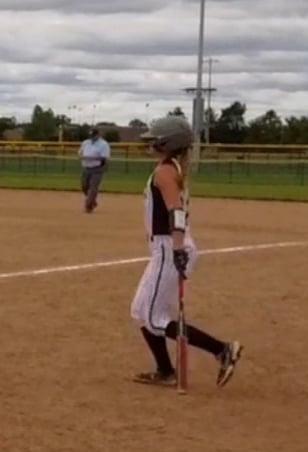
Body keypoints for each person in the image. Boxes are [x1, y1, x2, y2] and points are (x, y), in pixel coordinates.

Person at [129, 115, 242, 391]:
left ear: (167, 143)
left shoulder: (165, 172)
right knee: (140, 311)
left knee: (153, 317)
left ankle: (222, 350)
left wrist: (177, 248)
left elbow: (175, 213)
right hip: (167, 247)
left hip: (170, 247)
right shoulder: (172, 168)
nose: (149, 144)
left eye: (154, 140)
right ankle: (165, 371)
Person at [79, 127, 111, 213]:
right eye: (91, 136)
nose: (92, 137)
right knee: (84, 186)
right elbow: (80, 153)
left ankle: (89, 206)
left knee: (93, 188)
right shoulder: (85, 142)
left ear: (98, 135)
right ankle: (92, 200)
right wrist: (81, 156)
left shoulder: (104, 144)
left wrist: (91, 158)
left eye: (93, 135)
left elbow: (104, 157)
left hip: (97, 168)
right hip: (86, 167)